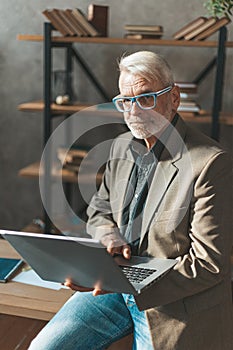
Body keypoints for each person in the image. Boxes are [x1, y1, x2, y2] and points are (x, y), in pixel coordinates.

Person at [29, 51, 233, 350]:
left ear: (174, 97)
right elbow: (99, 211)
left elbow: (209, 264)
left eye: (146, 97)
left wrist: (126, 279)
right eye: (126, 100)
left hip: (173, 303)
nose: (134, 110)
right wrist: (109, 236)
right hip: (115, 287)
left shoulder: (212, 164)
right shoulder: (121, 147)